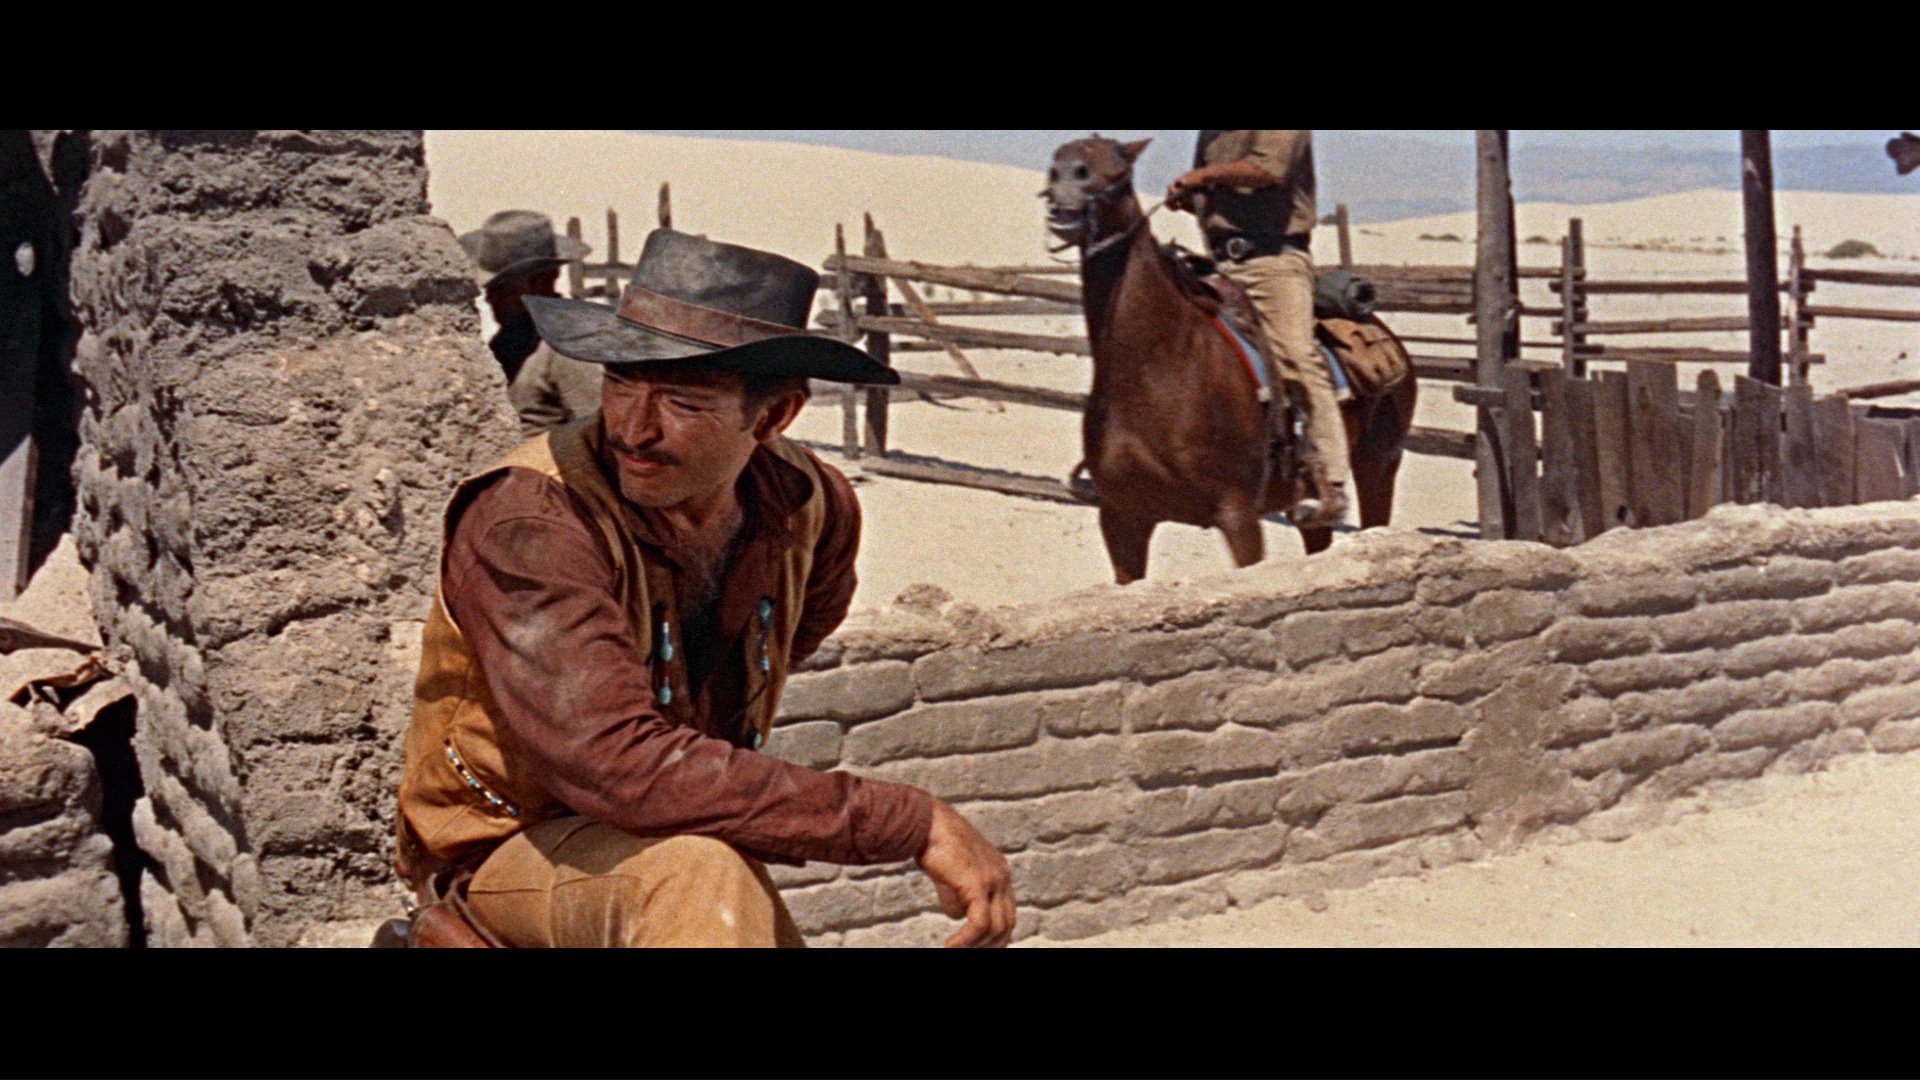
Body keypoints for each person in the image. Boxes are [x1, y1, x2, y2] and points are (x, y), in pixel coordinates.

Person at [396, 227, 1016, 948]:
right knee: (700, 877)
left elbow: (784, 645)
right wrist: (908, 821)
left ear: (775, 415)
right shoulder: (533, 518)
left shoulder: (810, 507)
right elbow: (612, 764)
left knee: (706, 872)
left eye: (683, 403)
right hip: (508, 848)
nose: (634, 429)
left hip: (669, 831)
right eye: (620, 383)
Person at [1165, 130, 1349, 528]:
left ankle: (1330, 480)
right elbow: (1218, 197)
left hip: (1274, 262)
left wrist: (1202, 177)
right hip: (1220, 261)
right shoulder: (1211, 134)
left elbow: (1268, 169)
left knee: (1296, 356)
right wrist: (1192, 200)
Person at [458, 210, 590, 384]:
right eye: (489, 290)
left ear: (541, 282)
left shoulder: (572, 345)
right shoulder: (507, 343)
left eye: (502, 289)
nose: (490, 299)